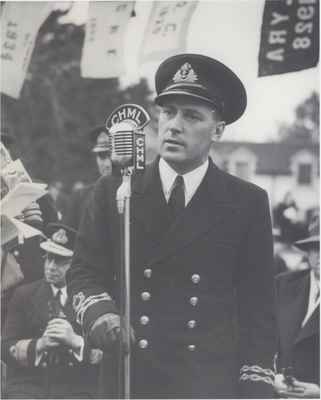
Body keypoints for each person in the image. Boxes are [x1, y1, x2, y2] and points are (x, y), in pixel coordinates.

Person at [67, 53, 277, 398]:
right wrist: (101, 314)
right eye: (168, 112)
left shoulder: (247, 202)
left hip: (207, 383)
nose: (174, 125)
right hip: (131, 376)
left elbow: (259, 307)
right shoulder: (115, 190)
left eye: (192, 116)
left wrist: (255, 385)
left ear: (219, 130)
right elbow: (83, 272)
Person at [2, 223, 102, 399]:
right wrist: (38, 345)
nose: (50, 266)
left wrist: (76, 342)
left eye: (60, 261)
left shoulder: (90, 298)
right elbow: (5, 346)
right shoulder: (23, 295)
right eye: (48, 258)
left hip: (75, 388)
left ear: (76, 263)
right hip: (29, 386)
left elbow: (107, 353)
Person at [274, 214, 319, 398]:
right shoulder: (282, 285)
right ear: (307, 252)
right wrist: (268, 376)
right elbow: (259, 335)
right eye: (315, 248)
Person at [64, 125, 112, 230]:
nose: (107, 164)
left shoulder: (137, 194)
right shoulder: (80, 198)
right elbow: (68, 238)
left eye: (112, 155)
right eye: (102, 156)